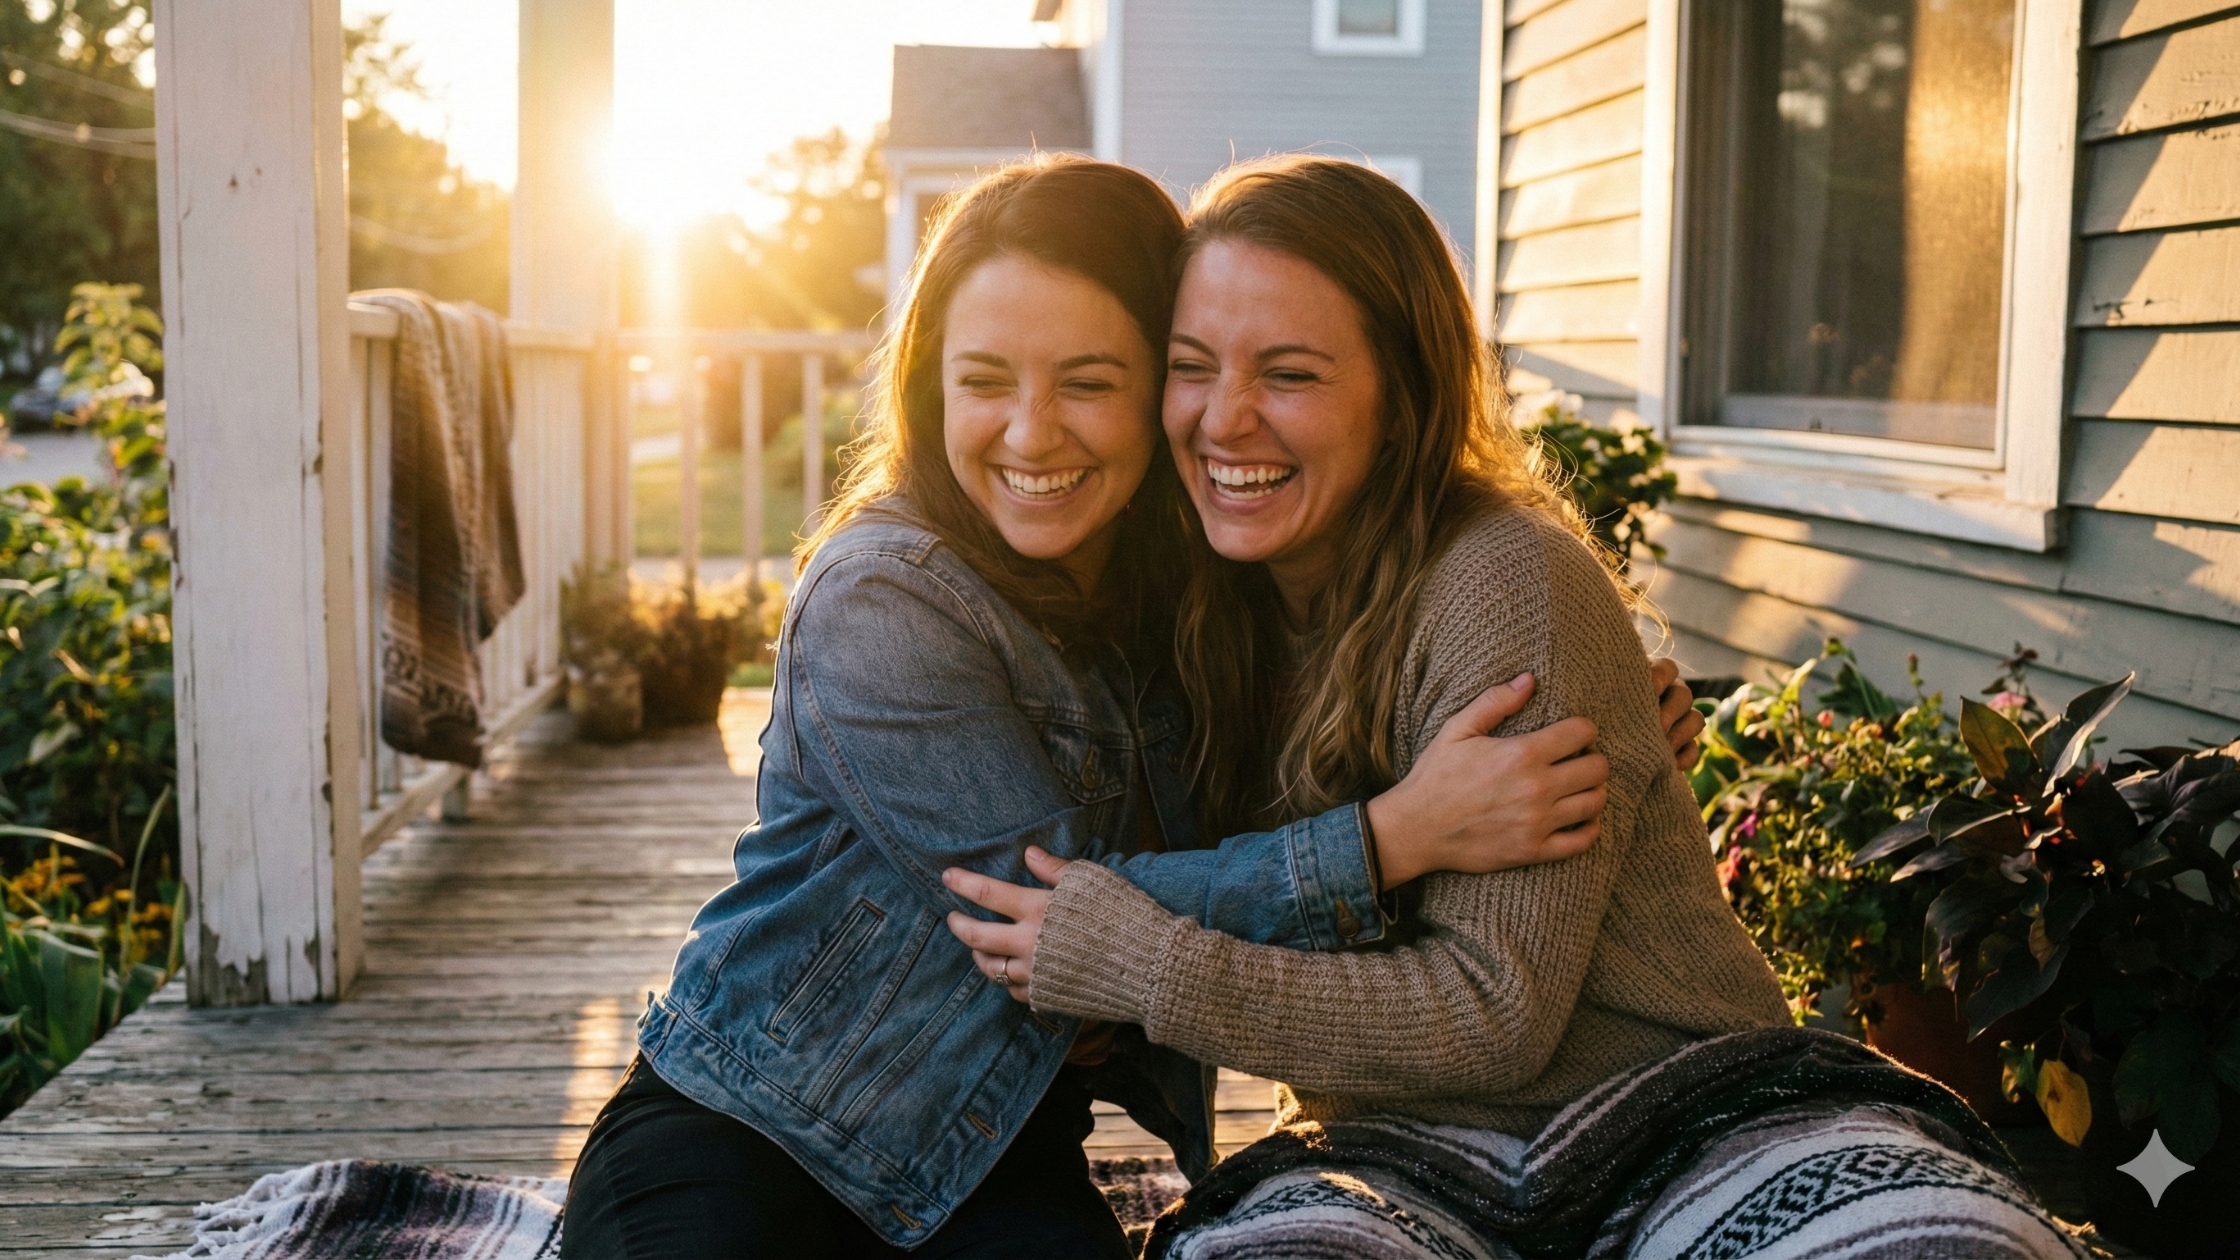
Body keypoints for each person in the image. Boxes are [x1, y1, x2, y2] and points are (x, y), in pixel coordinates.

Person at [560, 156, 1703, 1260]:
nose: (1029, 432)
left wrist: (1610, 704)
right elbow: (1055, 913)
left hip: (992, 1152)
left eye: (1090, 381)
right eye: (984, 380)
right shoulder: (883, 594)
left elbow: (1241, 826)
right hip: (753, 1124)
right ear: (927, 387)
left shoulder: (1200, 600)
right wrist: (1391, 836)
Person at [950, 156, 2084, 1260]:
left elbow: (1493, 1012)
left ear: (1403, 400)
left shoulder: (1506, 579)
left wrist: (1151, 972)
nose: (1224, 419)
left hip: (1681, 1115)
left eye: (1289, 374)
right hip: (1390, 1153)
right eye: (1192, 366)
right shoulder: (1190, 605)